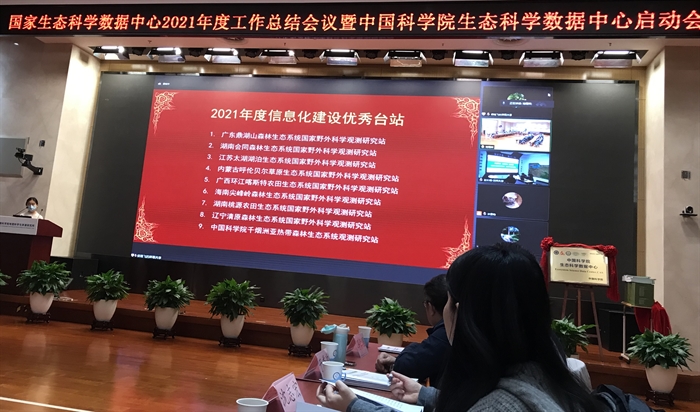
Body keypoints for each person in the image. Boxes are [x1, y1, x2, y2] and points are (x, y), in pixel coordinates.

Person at [317, 243, 603, 412]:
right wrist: (426, 395)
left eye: (450, 300)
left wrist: (353, 405)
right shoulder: (547, 376)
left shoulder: (502, 405)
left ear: (462, 312)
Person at [375, 274, 450, 388]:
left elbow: (407, 366)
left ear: (431, 307)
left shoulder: (446, 333)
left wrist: (400, 360)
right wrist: (396, 361)